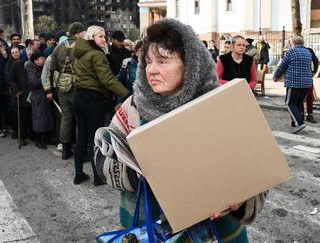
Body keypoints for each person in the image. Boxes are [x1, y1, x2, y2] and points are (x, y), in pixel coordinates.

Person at [94, 18, 266, 242]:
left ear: (190, 65)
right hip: (150, 233)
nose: (151, 70)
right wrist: (135, 174)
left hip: (217, 234)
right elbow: (100, 157)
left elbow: (258, 174)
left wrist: (240, 200)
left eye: (163, 61)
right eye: (147, 61)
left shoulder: (221, 107)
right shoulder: (134, 107)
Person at [72, 25, 129, 185]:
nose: (104, 39)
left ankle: (78, 173)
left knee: (81, 137)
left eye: (104, 36)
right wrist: (127, 94)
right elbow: (107, 79)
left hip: (79, 98)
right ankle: (98, 176)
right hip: (93, 100)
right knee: (94, 139)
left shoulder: (79, 53)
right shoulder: (96, 55)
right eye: (100, 36)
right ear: (92, 37)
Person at [43, 22, 86, 160]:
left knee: (66, 117)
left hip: (62, 87)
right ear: (79, 33)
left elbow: (53, 67)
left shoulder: (58, 48)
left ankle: (65, 150)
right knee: (80, 118)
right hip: (78, 86)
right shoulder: (82, 46)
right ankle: (81, 149)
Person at [273, 36, 313, 134]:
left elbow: (282, 65)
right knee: (298, 103)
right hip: (306, 83)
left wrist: (276, 76)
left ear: (293, 43)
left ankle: (299, 123)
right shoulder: (308, 52)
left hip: (294, 82)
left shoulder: (291, 52)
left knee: (289, 103)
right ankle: (295, 123)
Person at [26, 51, 54, 149]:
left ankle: (46, 138)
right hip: (38, 97)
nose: (44, 60)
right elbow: (34, 83)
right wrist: (45, 79)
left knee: (47, 118)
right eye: (42, 58)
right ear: (36, 61)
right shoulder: (31, 70)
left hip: (44, 97)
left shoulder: (43, 68)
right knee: (38, 119)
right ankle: (37, 140)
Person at [8, 47, 31, 146]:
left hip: (32, 94)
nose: (30, 56)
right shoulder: (17, 64)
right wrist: (16, 89)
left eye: (31, 54)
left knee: (30, 116)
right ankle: (21, 136)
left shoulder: (35, 64)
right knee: (22, 117)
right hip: (22, 94)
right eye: (28, 54)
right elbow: (11, 78)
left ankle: (30, 134)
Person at [305, 46, 319, 123]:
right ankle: (308, 114)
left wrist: (314, 71)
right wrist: (314, 71)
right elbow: (316, 60)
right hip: (307, 76)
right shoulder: (308, 50)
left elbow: (315, 60)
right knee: (308, 96)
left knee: (307, 96)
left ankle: (307, 114)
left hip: (304, 76)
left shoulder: (293, 50)